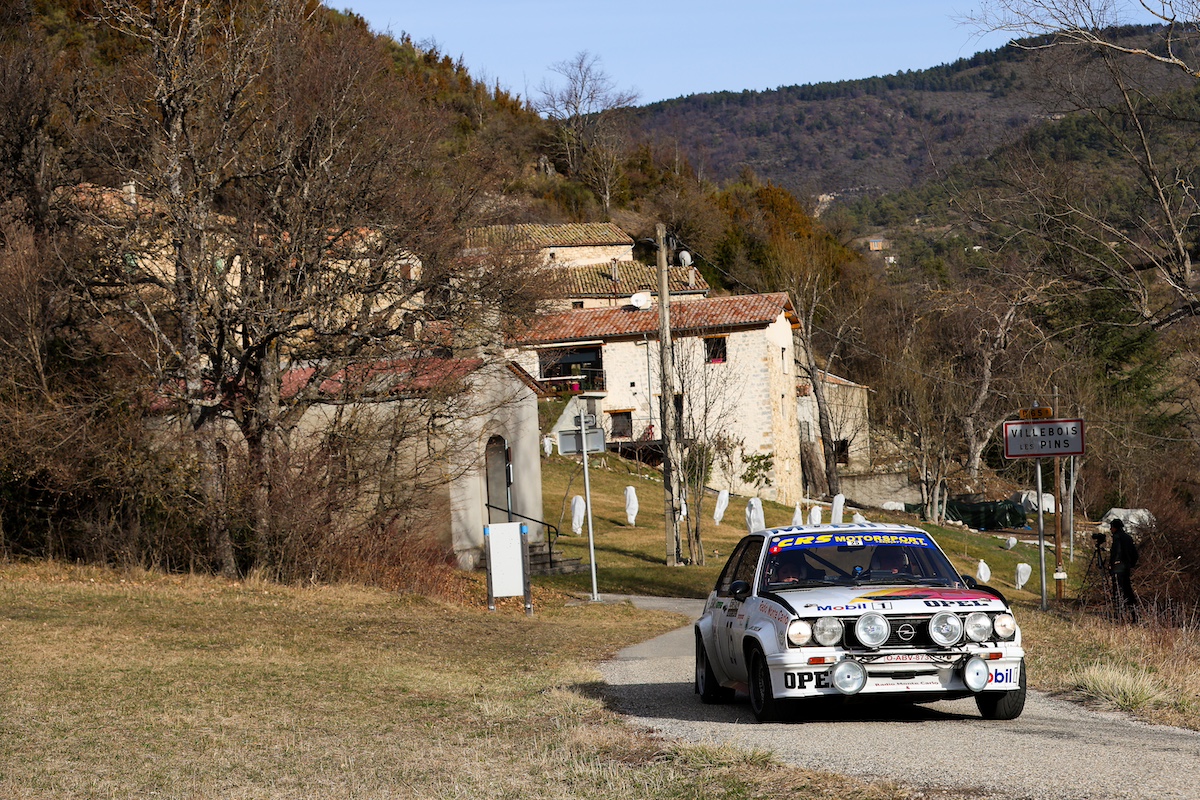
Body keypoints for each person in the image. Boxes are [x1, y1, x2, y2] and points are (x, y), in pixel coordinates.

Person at [1108, 519, 1139, 622]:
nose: (1110, 529)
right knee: (1127, 591)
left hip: (1118, 568)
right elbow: (1135, 554)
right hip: (1126, 568)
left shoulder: (1117, 537)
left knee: (1117, 592)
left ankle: (1119, 615)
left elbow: (1116, 551)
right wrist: (1131, 564)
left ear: (1115, 527)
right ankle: (1134, 614)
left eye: (1111, 527)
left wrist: (1112, 564)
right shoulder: (1128, 537)